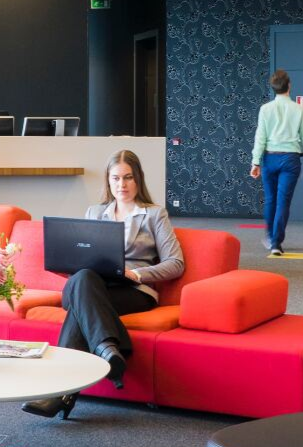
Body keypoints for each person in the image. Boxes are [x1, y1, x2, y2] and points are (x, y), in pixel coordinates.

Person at [23, 149, 184, 419]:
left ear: (138, 179)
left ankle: (59, 393)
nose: (122, 185)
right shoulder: (95, 212)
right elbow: (83, 256)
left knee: (80, 306)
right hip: (92, 285)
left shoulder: (154, 214)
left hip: (133, 291)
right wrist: (68, 264)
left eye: (128, 177)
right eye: (115, 178)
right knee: (84, 277)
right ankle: (107, 348)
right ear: (108, 181)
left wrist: (137, 274)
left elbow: (176, 263)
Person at [250, 69, 303, 256]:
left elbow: (260, 137)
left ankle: (270, 236)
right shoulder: (298, 109)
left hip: (269, 158)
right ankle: (276, 243)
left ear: (273, 87)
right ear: (289, 86)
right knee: (283, 202)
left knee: (270, 200)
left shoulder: (265, 109)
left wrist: (255, 162)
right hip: (290, 159)